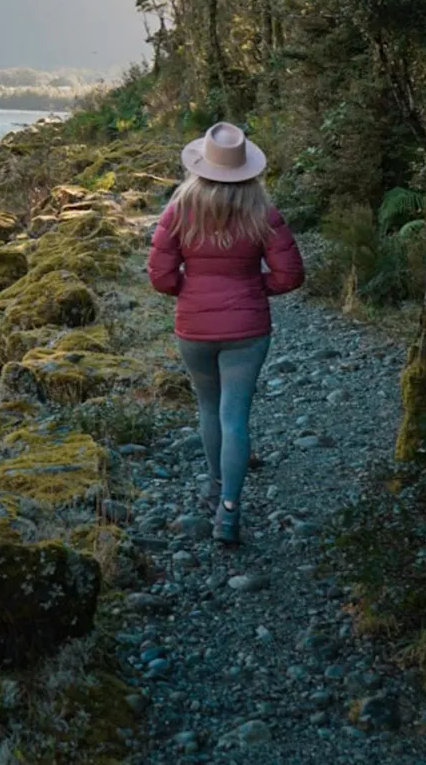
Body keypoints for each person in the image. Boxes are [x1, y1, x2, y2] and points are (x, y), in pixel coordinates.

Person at [147, 121, 305, 546]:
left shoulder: (179, 209)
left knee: (208, 408)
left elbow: (160, 276)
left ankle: (215, 485)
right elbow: (290, 275)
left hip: (194, 328)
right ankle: (229, 514)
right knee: (235, 416)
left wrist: (191, 291)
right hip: (248, 330)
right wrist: (254, 289)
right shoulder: (263, 212)